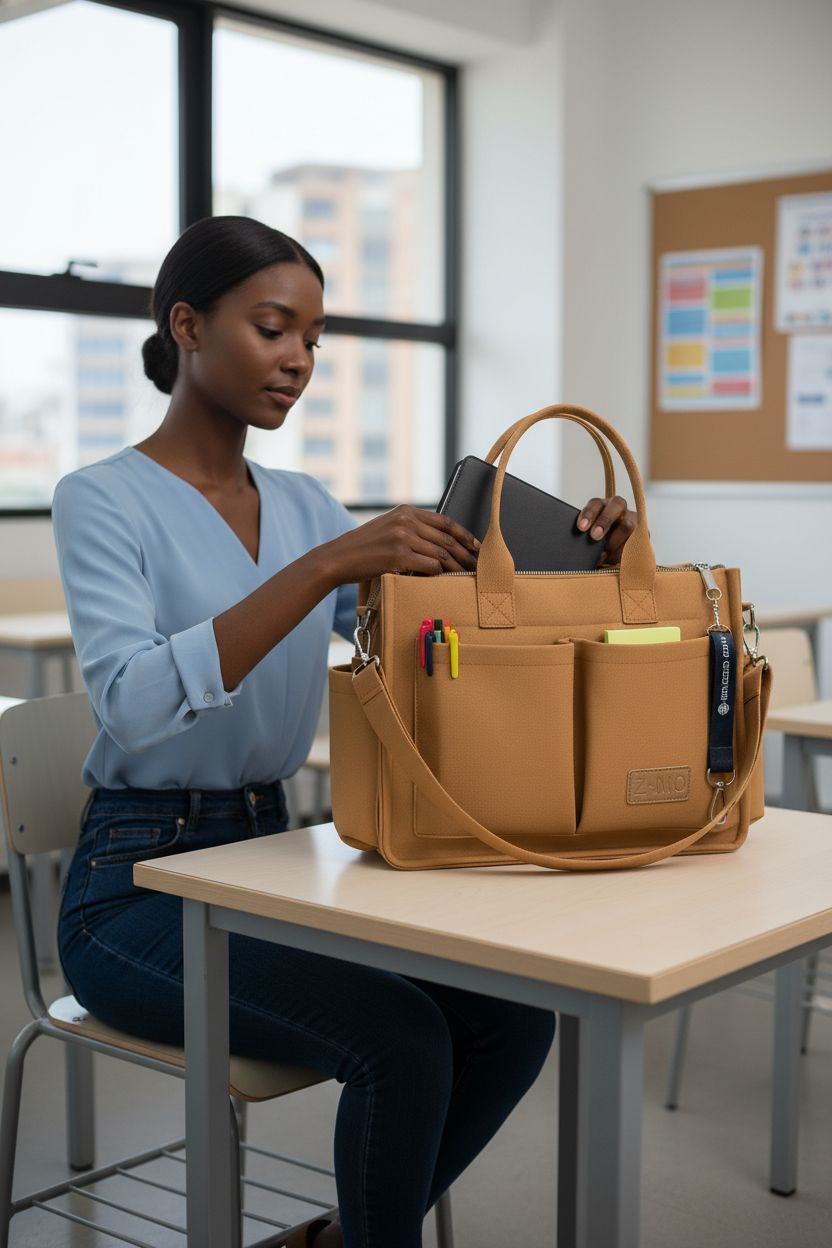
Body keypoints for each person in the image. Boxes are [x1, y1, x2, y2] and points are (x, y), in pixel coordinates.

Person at [53, 216, 634, 1248]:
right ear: (187, 325)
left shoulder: (305, 500)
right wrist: (325, 565)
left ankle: (335, 1241)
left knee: (511, 1018)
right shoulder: (101, 499)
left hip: (272, 860)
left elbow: (430, 638)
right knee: (401, 1041)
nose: (298, 361)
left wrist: (577, 560)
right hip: (132, 893)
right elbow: (135, 703)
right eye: (274, 328)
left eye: (313, 340)